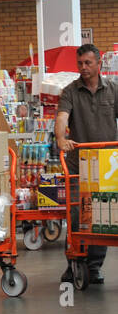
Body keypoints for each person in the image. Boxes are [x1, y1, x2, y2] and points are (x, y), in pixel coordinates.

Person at [56, 43, 118, 285]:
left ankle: (94, 267)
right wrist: (61, 138)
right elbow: (62, 117)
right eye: (80, 63)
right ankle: (74, 262)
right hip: (77, 163)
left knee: (101, 217)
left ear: (99, 64)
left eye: (88, 63)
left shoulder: (113, 89)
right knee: (76, 214)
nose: (83, 67)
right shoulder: (70, 91)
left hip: (106, 163)